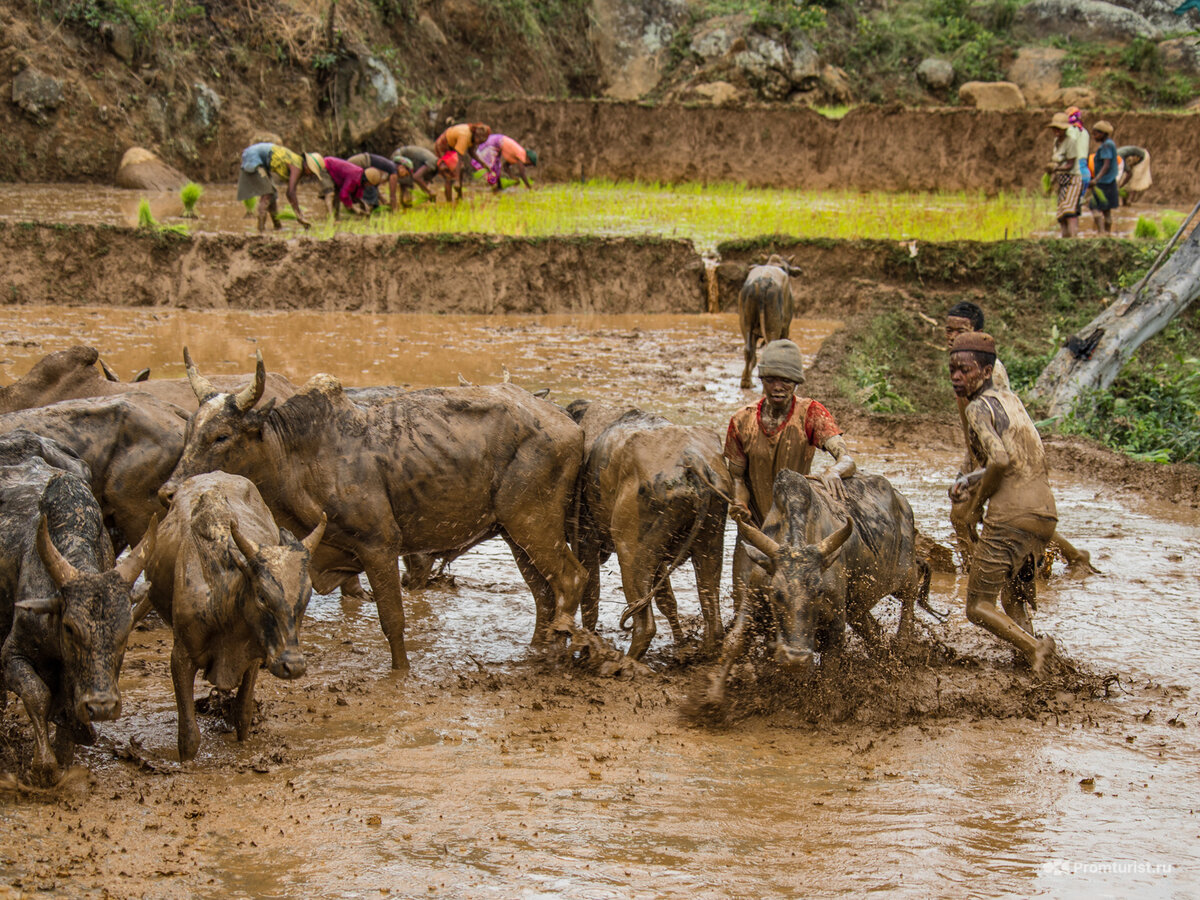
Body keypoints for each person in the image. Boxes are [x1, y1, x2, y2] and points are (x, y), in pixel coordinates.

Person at [945, 302, 1094, 574]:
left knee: (977, 516)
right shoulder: (962, 365)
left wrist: (983, 467)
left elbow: (1000, 418)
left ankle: (978, 572)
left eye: (961, 331)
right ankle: (978, 567)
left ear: (978, 332)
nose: (953, 336)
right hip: (979, 451)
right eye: (949, 330)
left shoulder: (988, 370)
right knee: (964, 516)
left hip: (997, 451)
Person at [948, 331, 1058, 678]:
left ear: (985, 371)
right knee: (1013, 599)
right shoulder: (1011, 400)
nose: (955, 377)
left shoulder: (979, 408)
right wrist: (969, 479)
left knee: (978, 606)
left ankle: (1034, 648)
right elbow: (1020, 457)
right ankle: (1042, 668)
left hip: (1011, 516)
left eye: (964, 370)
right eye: (952, 369)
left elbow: (998, 461)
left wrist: (976, 505)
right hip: (1044, 514)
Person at [723, 339, 856, 608]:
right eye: (771, 379)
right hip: (756, 529)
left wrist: (834, 471)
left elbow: (846, 458)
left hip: (797, 529)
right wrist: (739, 502)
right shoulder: (742, 421)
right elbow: (737, 477)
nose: (778, 387)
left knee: (799, 604)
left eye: (786, 380)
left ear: (796, 382)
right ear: (762, 380)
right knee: (743, 604)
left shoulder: (810, 414)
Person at [237, 143, 332, 233]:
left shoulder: (297, 163)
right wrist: (299, 215)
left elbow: (291, 191)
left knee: (273, 194)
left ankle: (277, 227)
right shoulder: (297, 166)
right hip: (253, 157)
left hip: (262, 160)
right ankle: (260, 231)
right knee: (268, 193)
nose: (310, 175)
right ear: (307, 165)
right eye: (311, 172)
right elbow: (290, 192)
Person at [1045, 112, 1087, 238]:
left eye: (1060, 129)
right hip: (1061, 181)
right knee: (1061, 214)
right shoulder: (1056, 142)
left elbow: (1070, 164)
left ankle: (1073, 239)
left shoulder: (1071, 142)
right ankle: (1065, 239)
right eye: (1055, 128)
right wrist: (1052, 177)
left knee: (1069, 211)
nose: (1057, 131)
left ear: (1065, 129)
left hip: (1073, 180)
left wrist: (1056, 169)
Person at [434, 122, 491, 197]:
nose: (480, 144)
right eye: (480, 141)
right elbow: (458, 158)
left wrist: (482, 164)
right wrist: (457, 180)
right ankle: (449, 203)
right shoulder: (464, 136)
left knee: (461, 169)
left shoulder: (472, 136)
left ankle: (459, 197)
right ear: (477, 136)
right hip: (443, 145)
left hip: (452, 146)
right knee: (449, 173)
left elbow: (471, 152)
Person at [473, 133, 538, 191]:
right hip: (494, 142)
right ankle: (496, 187)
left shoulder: (516, 155)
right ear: (528, 159)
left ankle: (499, 187)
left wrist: (513, 178)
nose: (527, 166)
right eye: (530, 164)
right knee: (492, 167)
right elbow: (522, 173)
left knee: (497, 166)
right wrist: (529, 187)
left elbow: (505, 167)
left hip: (495, 141)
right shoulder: (521, 153)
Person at [322, 156, 380, 220]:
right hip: (326, 166)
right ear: (367, 181)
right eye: (370, 184)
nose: (369, 186)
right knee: (330, 193)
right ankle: (330, 219)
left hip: (337, 176)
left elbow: (355, 196)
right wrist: (353, 207)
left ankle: (336, 217)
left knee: (337, 194)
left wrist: (363, 204)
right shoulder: (354, 177)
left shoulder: (360, 179)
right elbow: (344, 195)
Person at [1088, 120, 1119, 235]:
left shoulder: (1106, 146)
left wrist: (1096, 179)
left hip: (1103, 182)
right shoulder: (1110, 143)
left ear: (1102, 134)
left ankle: (1101, 232)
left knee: (1094, 207)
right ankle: (1108, 233)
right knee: (1107, 211)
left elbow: (1106, 165)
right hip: (1111, 182)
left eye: (1095, 134)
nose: (1094, 136)